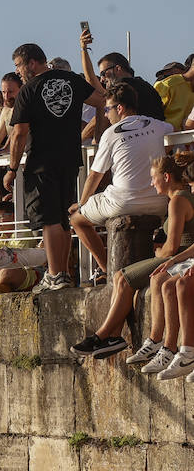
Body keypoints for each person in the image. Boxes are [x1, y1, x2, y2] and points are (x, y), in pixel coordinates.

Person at [71, 154, 194, 362]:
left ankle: (105, 335)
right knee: (120, 277)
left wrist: (158, 253)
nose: (151, 182)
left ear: (165, 177)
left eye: (153, 177)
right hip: (178, 254)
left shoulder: (178, 200)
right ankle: (112, 336)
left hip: (178, 256)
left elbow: (172, 247)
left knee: (124, 278)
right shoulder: (179, 198)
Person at [5, 43, 105, 291]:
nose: (17, 71)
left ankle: (55, 273)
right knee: (62, 219)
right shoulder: (70, 79)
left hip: (41, 162)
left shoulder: (29, 89)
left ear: (31, 63)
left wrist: (12, 167)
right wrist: (98, 132)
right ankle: (61, 273)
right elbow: (101, 100)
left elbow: (19, 133)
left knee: (48, 219)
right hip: (70, 159)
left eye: (18, 65)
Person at [68, 82, 174, 283]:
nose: (106, 115)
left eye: (107, 109)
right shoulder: (158, 125)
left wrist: (81, 204)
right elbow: (173, 130)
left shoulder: (111, 133)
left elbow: (94, 176)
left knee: (76, 220)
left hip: (123, 203)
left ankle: (106, 268)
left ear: (120, 108)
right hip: (160, 202)